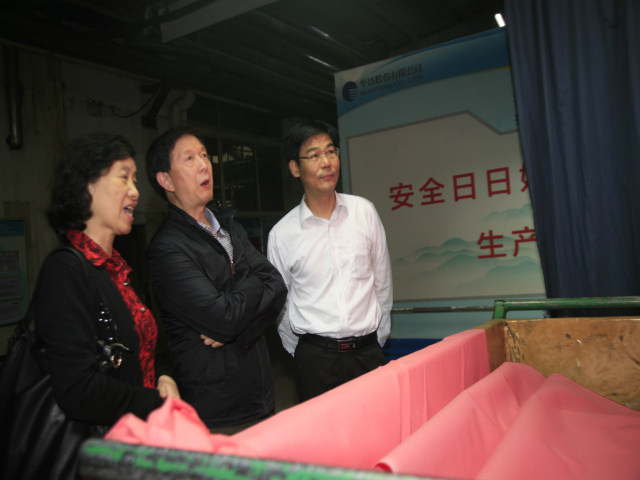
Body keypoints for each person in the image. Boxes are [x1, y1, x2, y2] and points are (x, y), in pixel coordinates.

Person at [145, 126, 287, 432]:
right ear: (166, 180)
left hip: (261, 395)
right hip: (217, 410)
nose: (203, 164)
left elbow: (277, 285)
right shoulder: (167, 249)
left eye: (205, 155)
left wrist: (239, 326)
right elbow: (223, 318)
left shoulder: (229, 227)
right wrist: (253, 283)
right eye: (189, 158)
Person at [36, 133, 179, 428]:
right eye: (123, 177)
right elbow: (79, 391)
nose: (135, 191)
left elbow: (135, 355)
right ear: (86, 186)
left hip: (137, 433)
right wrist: (154, 402)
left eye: (135, 180)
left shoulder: (116, 270)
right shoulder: (65, 271)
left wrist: (162, 377)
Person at [267, 120, 393, 402]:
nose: (326, 162)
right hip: (316, 362)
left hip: (368, 353)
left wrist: (377, 338)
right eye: (314, 155)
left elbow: (382, 283)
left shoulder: (364, 212)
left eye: (330, 151)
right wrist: (303, 352)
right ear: (295, 168)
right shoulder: (282, 234)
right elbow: (281, 305)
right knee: (323, 431)